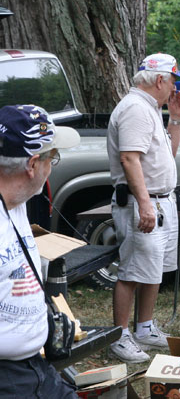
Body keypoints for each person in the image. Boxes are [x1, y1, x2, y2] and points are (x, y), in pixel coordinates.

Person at [107, 53, 180, 362]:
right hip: (144, 202)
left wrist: (176, 118)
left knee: (153, 269)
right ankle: (120, 335)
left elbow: (168, 154)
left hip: (160, 200)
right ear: (159, 80)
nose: (173, 89)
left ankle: (144, 328)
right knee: (132, 270)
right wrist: (144, 205)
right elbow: (130, 159)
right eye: (172, 82)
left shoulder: (151, 109)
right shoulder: (136, 110)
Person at [0, 104, 80, 397]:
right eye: (53, 157)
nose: (52, 165)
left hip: (36, 368)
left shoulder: (17, 200)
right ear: (32, 165)